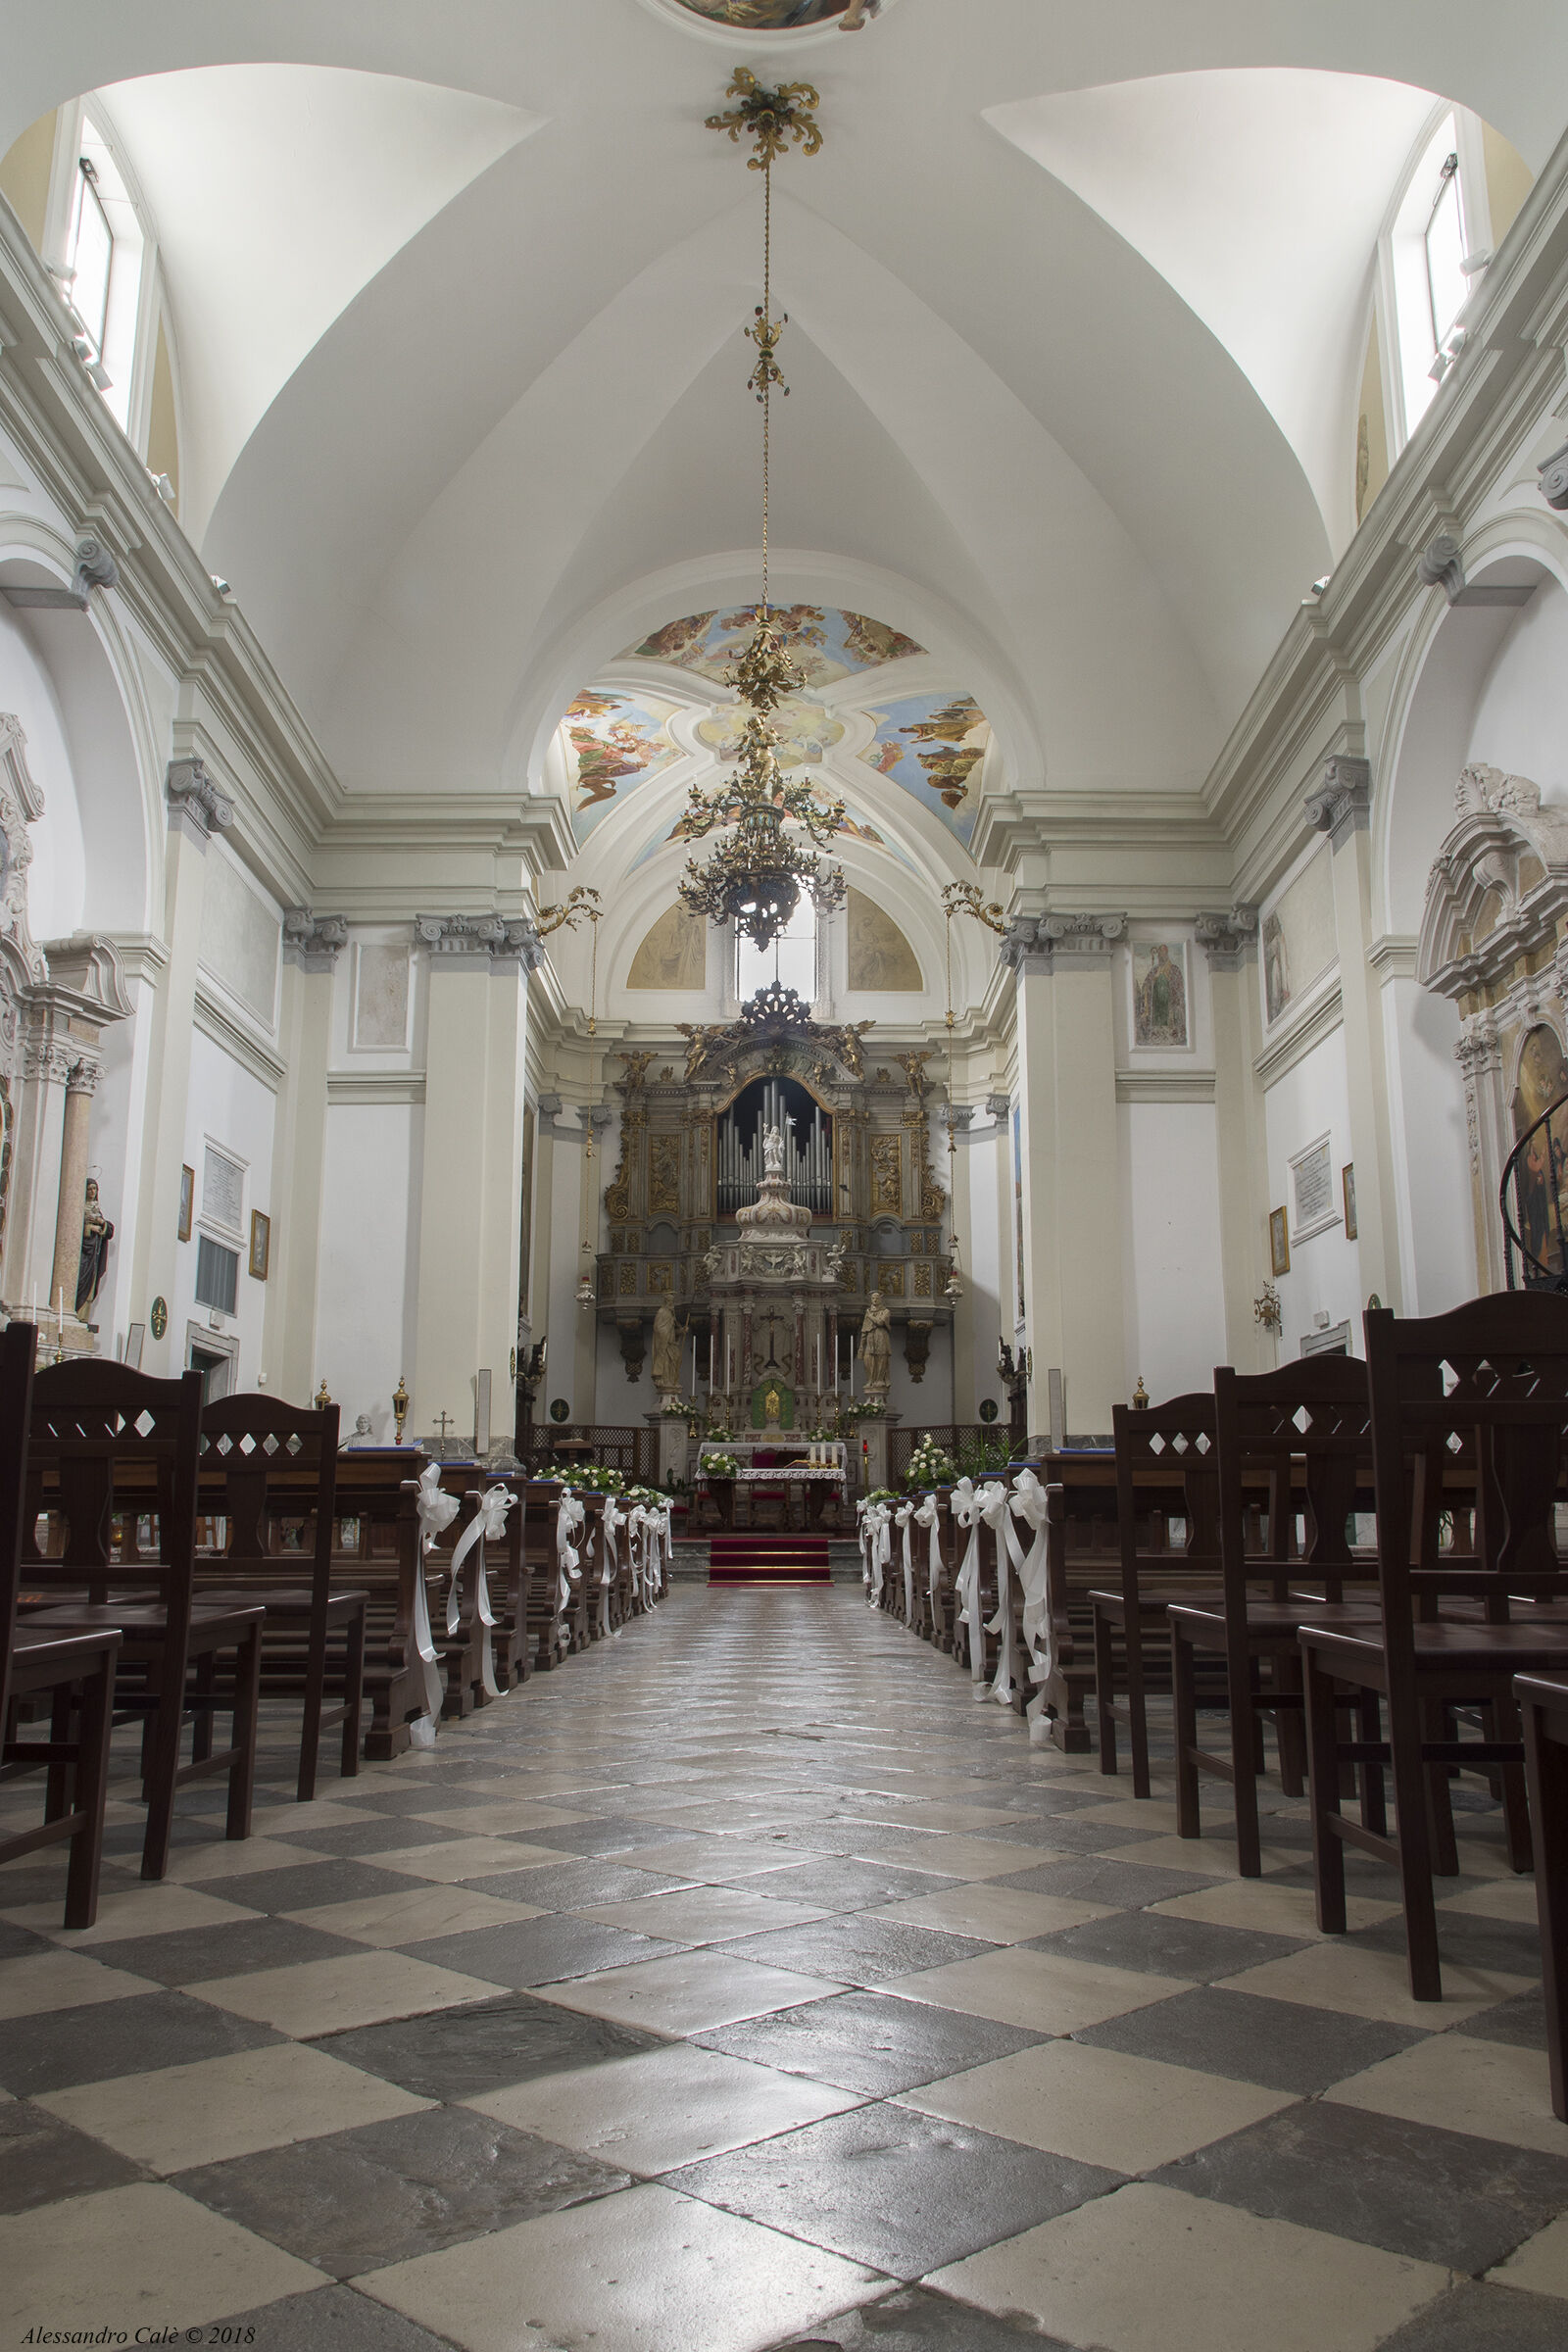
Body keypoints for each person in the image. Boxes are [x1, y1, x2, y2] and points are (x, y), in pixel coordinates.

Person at [75, 1178, 113, 1315]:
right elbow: (73, 1228)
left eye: (94, 1189)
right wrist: (89, 1227)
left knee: (91, 1284)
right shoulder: (80, 1207)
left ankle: (83, 1317)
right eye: (89, 1189)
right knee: (81, 1280)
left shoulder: (97, 1209)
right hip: (84, 1251)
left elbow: (109, 1231)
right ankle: (76, 1311)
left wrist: (101, 1223)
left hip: (94, 1253)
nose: (92, 1191)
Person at [858, 1288, 892, 1393]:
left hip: (881, 1336)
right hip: (870, 1336)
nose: (875, 1300)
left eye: (877, 1298)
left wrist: (870, 1316)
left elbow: (880, 1322)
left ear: (881, 1299)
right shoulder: (868, 1312)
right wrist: (861, 1346)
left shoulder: (886, 1311)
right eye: (873, 1298)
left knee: (881, 1357)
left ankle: (880, 1380)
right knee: (868, 1358)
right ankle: (870, 1380)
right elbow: (864, 1329)